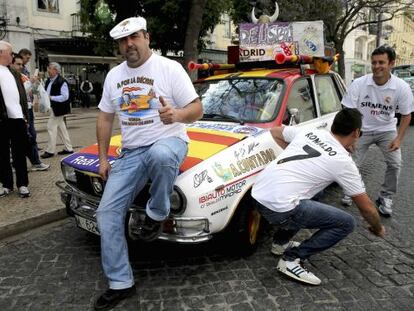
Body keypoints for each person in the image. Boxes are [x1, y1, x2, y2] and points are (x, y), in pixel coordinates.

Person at [94, 16, 203, 310]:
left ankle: (157, 212)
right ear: (118, 45)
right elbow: (105, 118)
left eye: (134, 37)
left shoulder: (170, 68)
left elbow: (197, 108)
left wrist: (177, 115)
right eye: (123, 40)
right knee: (106, 214)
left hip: (168, 142)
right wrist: (104, 158)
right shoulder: (114, 76)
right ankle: (120, 282)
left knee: (161, 154)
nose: (129, 44)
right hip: (131, 153)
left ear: (147, 37)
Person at [251, 108, 385, 286]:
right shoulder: (343, 161)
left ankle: (280, 243)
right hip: (280, 209)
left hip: (256, 194)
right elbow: (367, 208)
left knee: (317, 192)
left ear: (334, 125)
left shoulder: (311, 132)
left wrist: (292, 153)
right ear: (356, 133)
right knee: (346, 223)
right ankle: (291, 260)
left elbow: (275, 132)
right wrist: (378, 228)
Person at [341, 45, 414, 217]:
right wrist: (351, 136)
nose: (376, 66)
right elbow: (347, 109)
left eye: (381, 62)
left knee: (395, 163)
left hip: (386, 130)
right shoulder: (359, 83)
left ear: (391, 64)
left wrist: (398, 139)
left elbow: (406, 115)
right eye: (374, 62)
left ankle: (386, 197)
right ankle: (352, 190)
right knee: (351, 162)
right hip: (361, 129)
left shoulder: (401, 87)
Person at [0, 41, 30, 198]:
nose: (12, 56)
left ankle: (23, 184)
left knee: (20, 152)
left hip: (18, 118)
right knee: (2, 153)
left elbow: (22, 96)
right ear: (1, 53)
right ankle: (6, 184)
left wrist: (25, 115)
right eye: (10, 53)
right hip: (2, 119)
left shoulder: (15, 73)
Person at [10, 54, 49, 171]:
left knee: (30, 137)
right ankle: (24, 162)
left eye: (22, 64)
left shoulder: (22, 76)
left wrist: (36, 83)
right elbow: (17, 93)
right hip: (17, 112)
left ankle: (35, 162)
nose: (21, 66)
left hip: (27, 110)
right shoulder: (8, 77)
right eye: (18, 64)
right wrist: (29, 84)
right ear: (11, 64)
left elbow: (32, 92)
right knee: (24, 138)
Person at [41, 62, 74, 158]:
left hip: (59, 109)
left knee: (51, 127)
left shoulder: (62, 81)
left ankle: (50, 150)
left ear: (55, 70)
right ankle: (69, 148)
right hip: (52, 108)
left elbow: (65, 97)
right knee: (61, 128)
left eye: (50, 68)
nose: (48, 70)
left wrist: (51, 98)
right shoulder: (48, 81)